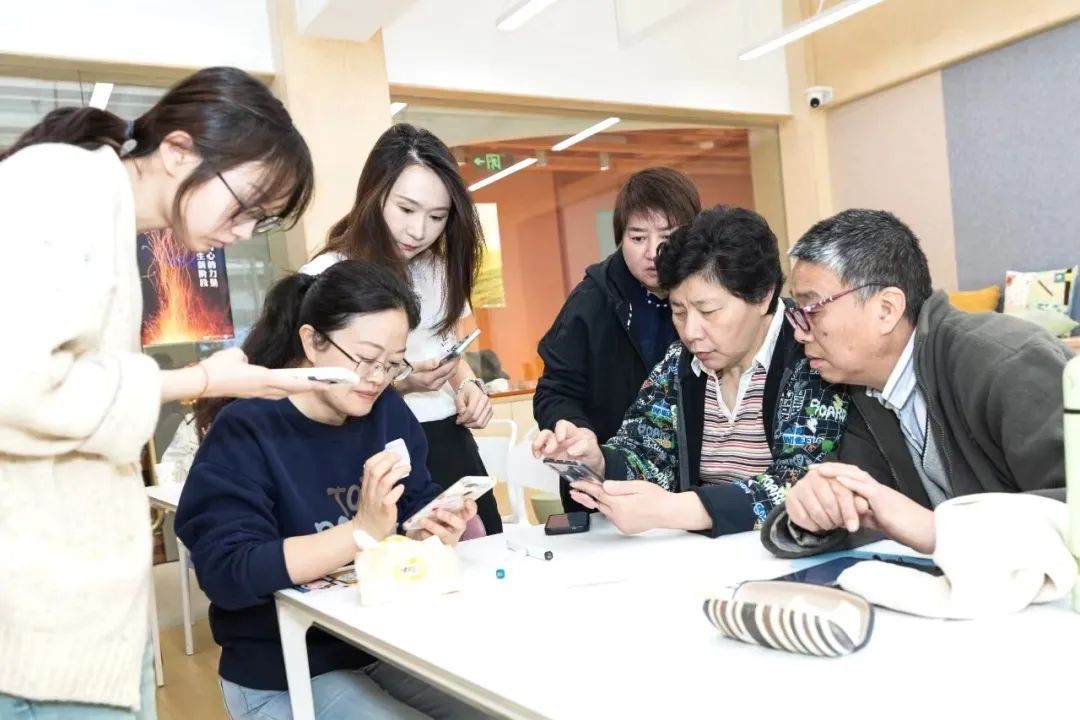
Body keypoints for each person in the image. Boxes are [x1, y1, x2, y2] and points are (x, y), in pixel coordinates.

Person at [0, 67, 325, 719]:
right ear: (178, 150)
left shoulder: (106, 210)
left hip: (76, 602)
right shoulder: (63, 186)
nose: (243, 232)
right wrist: (204, 381)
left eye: (261, 220)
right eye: (244, 206)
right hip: (40, 609)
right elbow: (21, 385)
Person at [178, 260, 482, 720]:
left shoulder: (387, 413)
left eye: (392, 363)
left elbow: (414, 504)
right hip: (283, 670)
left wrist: (427, 530)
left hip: (379, 646)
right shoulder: (247, 430)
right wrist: (361, 531)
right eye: (365, 358)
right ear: (312, 341)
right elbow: (228, 571)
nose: (377, 377)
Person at [762, 209, 1070, 558]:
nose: (799, 333)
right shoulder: (862, 390)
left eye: (812, 309)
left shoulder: (1008, 363)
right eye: (797, 313)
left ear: (887, 309)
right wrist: (813, 513)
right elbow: (861, 514)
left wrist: (936, 530)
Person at [532, 206, 850, 536]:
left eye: (708, 311)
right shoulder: (680, 363)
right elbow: (648, 451)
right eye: (679, 312)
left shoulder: (811, 355)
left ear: (763, 295)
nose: (691, 332)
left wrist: (680, 510)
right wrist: (598, 461)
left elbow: (804, 484)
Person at [302, 123, 502, 534]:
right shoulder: (326, 275)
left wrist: (467, 385)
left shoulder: (438, 270)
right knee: (398, 562)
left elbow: (447, 343)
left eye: (437, 217)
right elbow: (310, 387)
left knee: (483, 549)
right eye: (407, 210)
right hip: (371, 447)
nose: (419, 231)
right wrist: (403, 384)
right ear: (375, 195)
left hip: (448, 439)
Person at [533, 168, 701, 512]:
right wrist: (577, 432)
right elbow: (554, 391)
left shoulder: (709, 293)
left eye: (667, 236)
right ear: (620, 238)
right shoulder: (592, 300)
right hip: (608, 489)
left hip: (694, 491)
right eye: (637, 238)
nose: (653, 252)